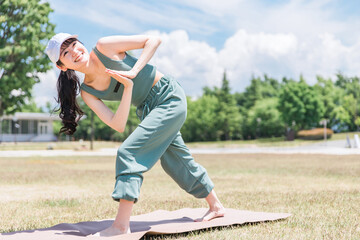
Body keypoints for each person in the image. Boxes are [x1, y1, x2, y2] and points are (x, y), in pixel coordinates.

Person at [45, 33, 225, 236]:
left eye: (74, 45)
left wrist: (133, 71)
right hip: (147, 110)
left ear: (81, 43)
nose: (74, 53)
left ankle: (121, 226)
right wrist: (128, 87)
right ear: (62, 66)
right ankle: (216, 206)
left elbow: (153, 40)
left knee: (128, 153)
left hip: (168, 96)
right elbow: (118, 124)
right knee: (175, 160)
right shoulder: (88, 91)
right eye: (66, 54)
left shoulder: (104, 47)